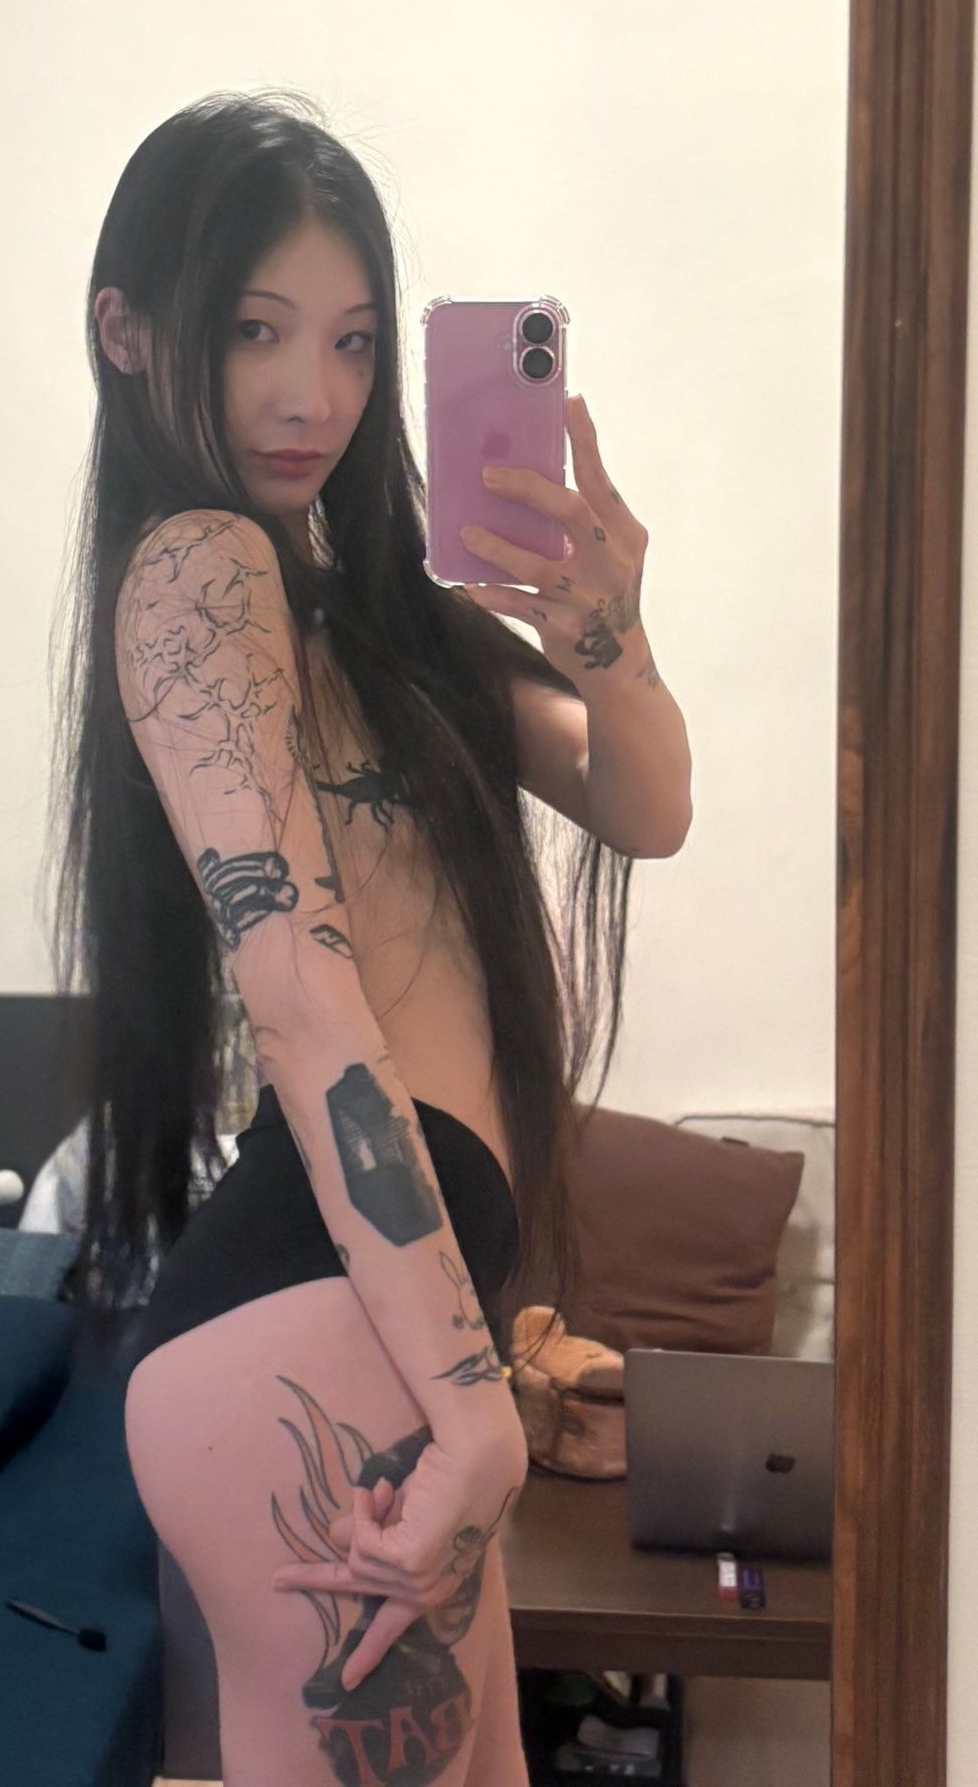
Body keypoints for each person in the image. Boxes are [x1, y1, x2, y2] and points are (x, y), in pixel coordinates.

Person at [44, 89, 640, 1783]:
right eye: (256, 332)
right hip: (329, 1338)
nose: (315, 393)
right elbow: (301, 998)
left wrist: (608, 628)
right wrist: (471, 1407)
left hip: (368, 1323)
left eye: (356, 341)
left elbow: (647, 801)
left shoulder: (374, 620)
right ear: (129, 331)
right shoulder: (203, 566)